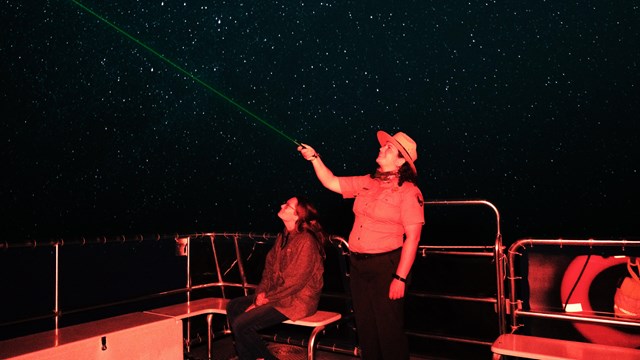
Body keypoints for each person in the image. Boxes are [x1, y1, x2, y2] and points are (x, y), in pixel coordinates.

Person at [298, 131, 424, 360]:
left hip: (387, 267)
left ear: (401, 161)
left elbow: (413, 238)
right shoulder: (368, 182)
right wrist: (315, 158)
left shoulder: (408, 192)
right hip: (358, 264)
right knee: (366, 327)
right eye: (384, 145)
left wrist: (400, 277)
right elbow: (332, 182)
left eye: (389, 148)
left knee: (389, 330)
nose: (381, 148)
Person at [226, 196, 326, 360]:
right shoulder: (283, 237)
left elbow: (294, 282)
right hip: (279, 297)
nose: (282, 205)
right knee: (234, 306)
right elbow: (269, 270)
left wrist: (265, 300)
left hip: (297, 301)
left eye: (287, 205)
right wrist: (260, 295)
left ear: (297, 216)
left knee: (242, 325)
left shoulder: (306, 241)